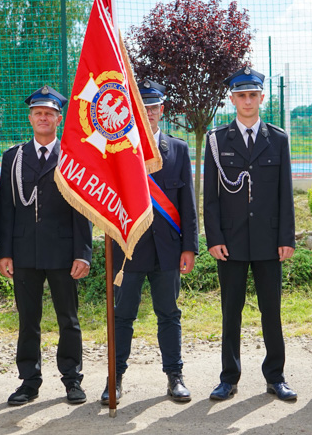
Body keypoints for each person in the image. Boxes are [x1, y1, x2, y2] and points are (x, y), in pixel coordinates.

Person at [101, 79, 198, 405]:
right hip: (128, 250)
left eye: (154, 108)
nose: (149, 114)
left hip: (168, 249)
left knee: (169, 314)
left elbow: (188, 204)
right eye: (143, 109)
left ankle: (175, 376)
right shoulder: (118, 151)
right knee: (123, 315)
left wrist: (189, 247)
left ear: (162, 110)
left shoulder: (179, 149)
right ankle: (114, 380)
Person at [204, 66, 297, 402]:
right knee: (232, 311)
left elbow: (286, 194)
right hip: (230, 242)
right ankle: (229, 378)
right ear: (232, 99)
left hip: (270, 241)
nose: (247, 101)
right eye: (241, 95)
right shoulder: (216, 141)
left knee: (271, 311)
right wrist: (213, 238)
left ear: (261, 97)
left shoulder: (279, 139)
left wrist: (287, 237)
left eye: (252, 95)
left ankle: (276, 376)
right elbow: (210, 197)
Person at [0, 86, 92, 405]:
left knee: (68, 318)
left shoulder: (72, 155)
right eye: (38, 113)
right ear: (30, 118)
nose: (43, 118)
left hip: (64, 252)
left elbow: (82, 209)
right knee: (28, 319)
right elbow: (7, 207)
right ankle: (29, 381)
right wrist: (5, 252)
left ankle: (72, 379)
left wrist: (83, 252)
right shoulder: (14, 156)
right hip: (24, 251)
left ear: (59, 119)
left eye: (49, 113)